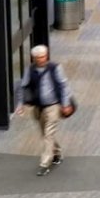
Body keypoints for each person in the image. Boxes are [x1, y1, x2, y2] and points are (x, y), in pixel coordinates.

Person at [15, 45, 74, 176]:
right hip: (38, 107)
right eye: (38, 58)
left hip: (53, 106)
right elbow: (23, 87)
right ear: (34, 58)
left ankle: (44, 164)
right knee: (46, 134)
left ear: (46, 56)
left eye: (43, 56)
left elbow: (64, 85)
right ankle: (57, 153)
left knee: (48, 134)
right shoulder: (29, 70)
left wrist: (65, 104)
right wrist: (20, 104)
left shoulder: (55, 68)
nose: (41, 59)